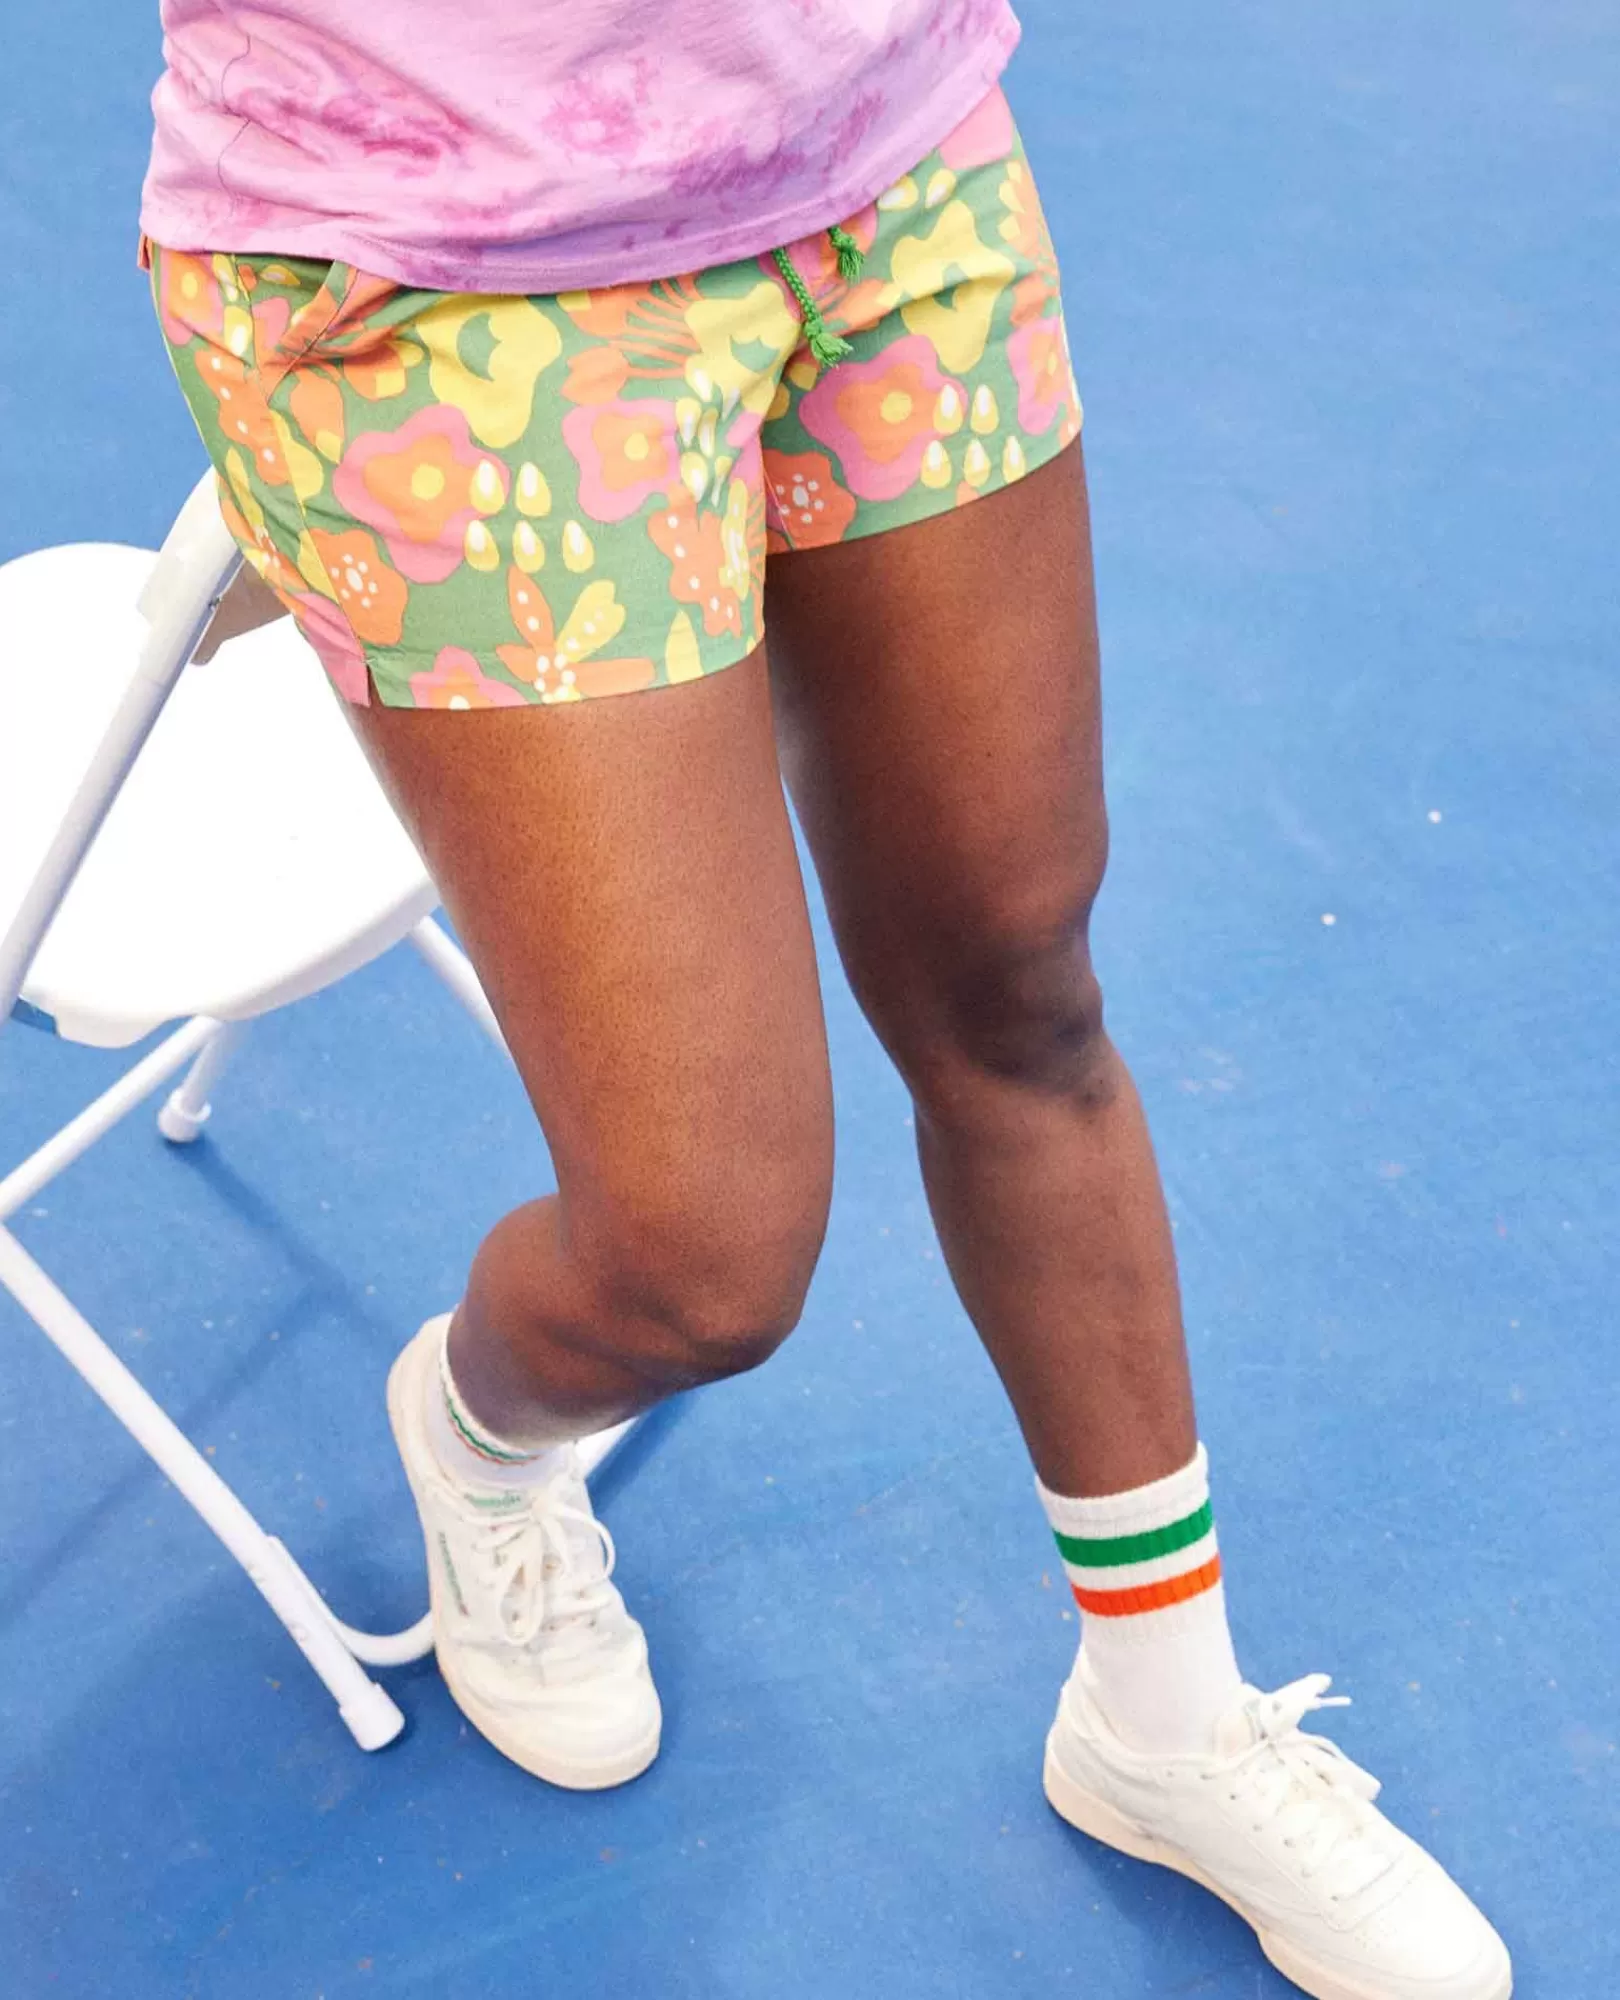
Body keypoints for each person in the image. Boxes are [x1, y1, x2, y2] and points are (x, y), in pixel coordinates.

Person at [141, 5, 1510, 1994]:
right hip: (430, 263)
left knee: (1021, 996)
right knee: (697, 1265)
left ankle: (1164, 1720)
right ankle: (475, 1433)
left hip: (881, 154)